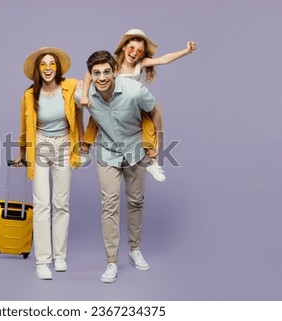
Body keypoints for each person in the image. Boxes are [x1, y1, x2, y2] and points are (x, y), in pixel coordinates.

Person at [76, 50, 162, 283]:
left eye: (106, 71)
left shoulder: (135, 91)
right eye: (96, 73)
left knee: (136, 200)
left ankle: (135, 249)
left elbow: (154, 111)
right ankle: (111, 262)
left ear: (115, 71)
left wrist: (156, 143)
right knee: (109, 205)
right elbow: (66, 101)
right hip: (107, 153)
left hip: (135, 151)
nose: (102, 77)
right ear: (91, 75)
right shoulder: (85, 95)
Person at [80, 28, 196, 182]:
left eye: (140, 51)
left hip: (132, 105)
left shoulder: (140, 64)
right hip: (111, 101)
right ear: (124, 47)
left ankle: (152, 162)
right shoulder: (113, 64)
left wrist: (186, 51)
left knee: (147, 125)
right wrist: (84, 93)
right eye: (132, 48)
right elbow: (89, 74)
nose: (134, 53)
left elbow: (164, 59)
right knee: (95, 118)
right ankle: (85, 149)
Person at [14, 47, 83, 280]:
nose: (47, 68)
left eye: (52, 64)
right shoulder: (29, 95)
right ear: (37, 69)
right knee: (42, 204)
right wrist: (21, 152)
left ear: (58, 67)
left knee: (61, 204)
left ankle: (59, 256)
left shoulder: (70, 86)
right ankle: (42, 261)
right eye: (43, 64)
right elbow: (25, 126)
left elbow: (88, 89)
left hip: (64, 145)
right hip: (40, 147)